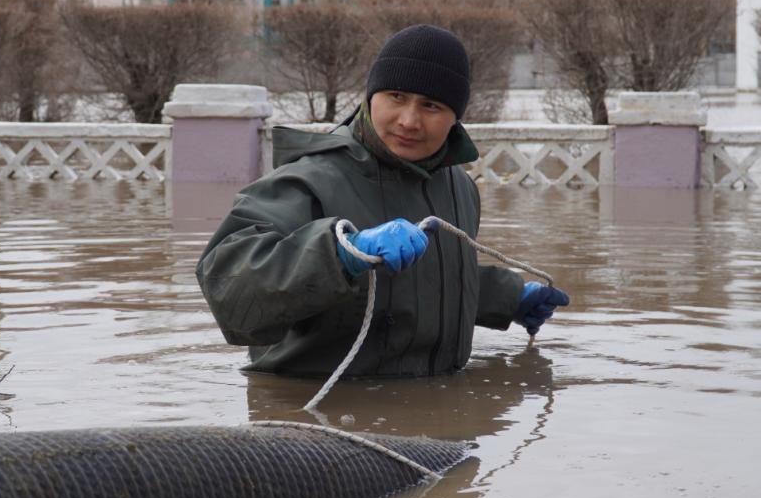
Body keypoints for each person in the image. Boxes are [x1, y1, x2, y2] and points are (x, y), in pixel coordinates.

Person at [196, 24, 569, 377]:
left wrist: (507, 298)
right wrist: (341, 253)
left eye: (431, 106)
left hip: (437, 418)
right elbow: (227, 288)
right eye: (396, 97)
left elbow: (423, 285)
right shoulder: (308, 179)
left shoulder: (458, 186)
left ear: (455, 118)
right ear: (370, 96)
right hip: (314, 423)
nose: (408, 120)